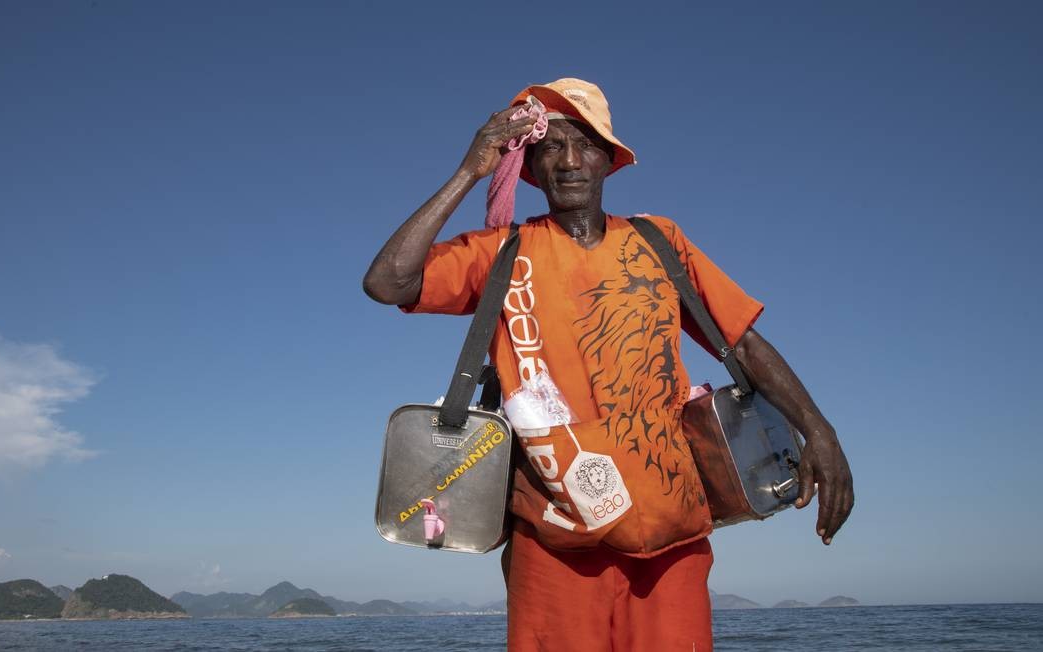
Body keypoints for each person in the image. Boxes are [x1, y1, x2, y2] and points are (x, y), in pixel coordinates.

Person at [363, 78, 853, 651]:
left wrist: (820, 431)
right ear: (532, 165)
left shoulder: (660, 242)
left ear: (607, 160)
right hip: (553, 539)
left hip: (671, 531)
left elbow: (742, 342)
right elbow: (388, 281)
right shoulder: (501, 252)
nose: (569, 161)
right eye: (551, 146)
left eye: (585, 144)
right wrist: (470, 171)